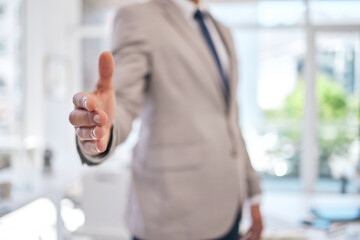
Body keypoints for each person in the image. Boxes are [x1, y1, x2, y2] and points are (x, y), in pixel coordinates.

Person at [69, 0, 263, 239]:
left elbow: (231, 120)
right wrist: (102, 128)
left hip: (230, 209)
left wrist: (253, 195)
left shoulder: (222, 31)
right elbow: (124, 102)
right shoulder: (138, 18)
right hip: (171, 213)